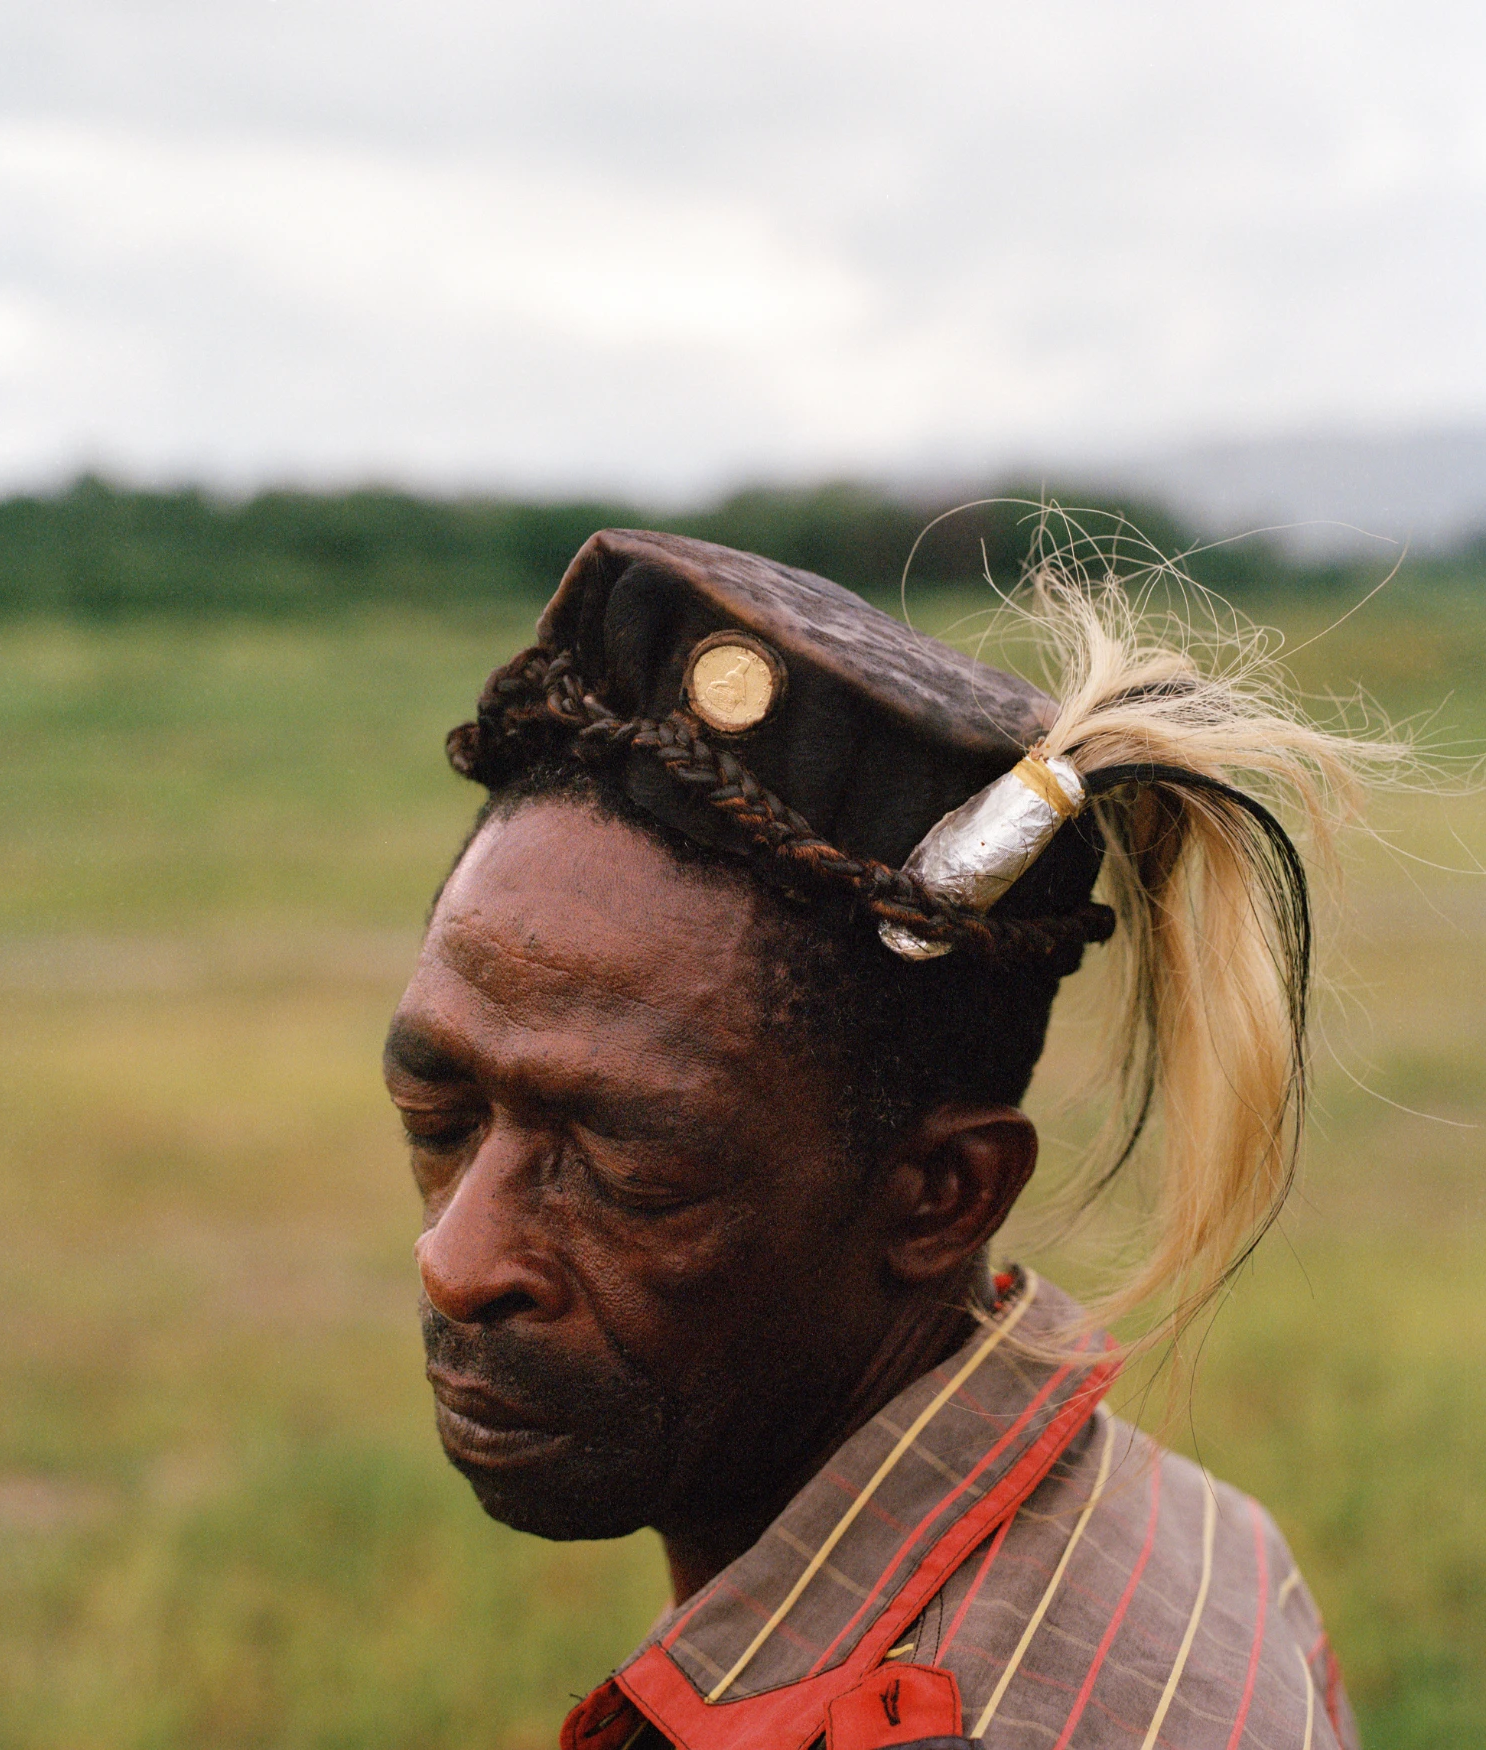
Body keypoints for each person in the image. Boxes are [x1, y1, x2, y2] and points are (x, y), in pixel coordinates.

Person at [384, 528, 1370, 1749]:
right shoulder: (1202, 1530)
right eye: (438, 1110)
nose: (457, 1257)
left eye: (629, 1168)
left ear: (942, 1197)